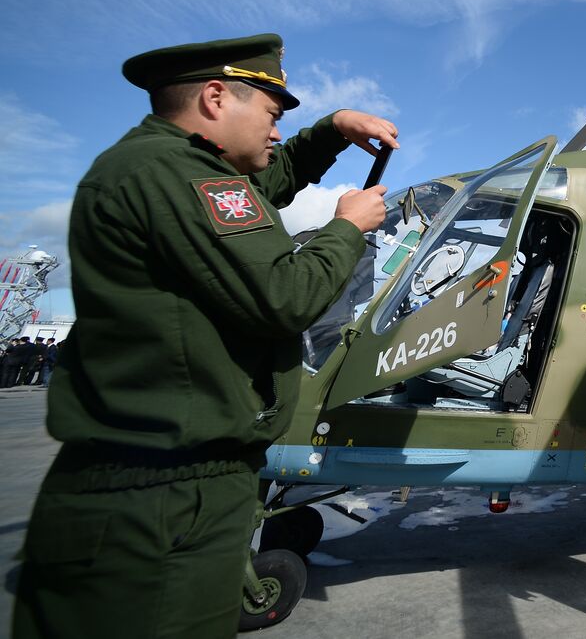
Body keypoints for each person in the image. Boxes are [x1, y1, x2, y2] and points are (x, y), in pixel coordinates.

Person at [12, 33, 398, 639]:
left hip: (164, 489)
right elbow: (285, 296)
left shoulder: (172, 169)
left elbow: (272, 178)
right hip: (165, 502)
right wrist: (346, 228)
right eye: (271, 115)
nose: (275, 133)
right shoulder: (182, 175)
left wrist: (331, 131)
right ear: (216, 98)